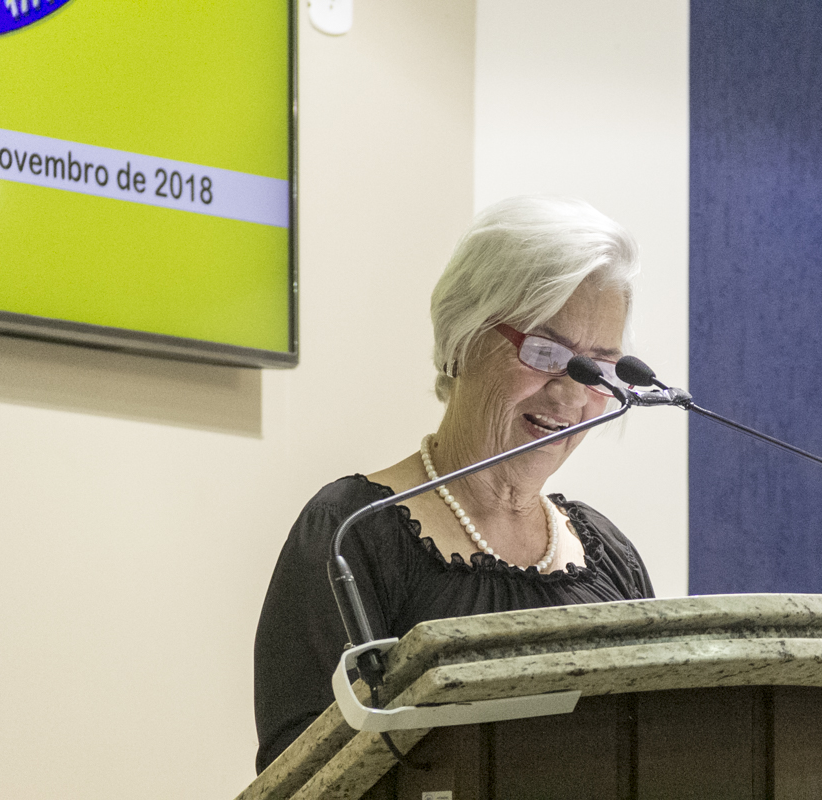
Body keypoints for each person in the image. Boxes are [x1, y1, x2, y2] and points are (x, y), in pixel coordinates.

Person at [253, 196, 655, 772]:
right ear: (462, 342)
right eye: (545, 351)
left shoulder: (609, 556)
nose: (570, 394)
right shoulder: (352, 534)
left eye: (598, 369)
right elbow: (306, 773)